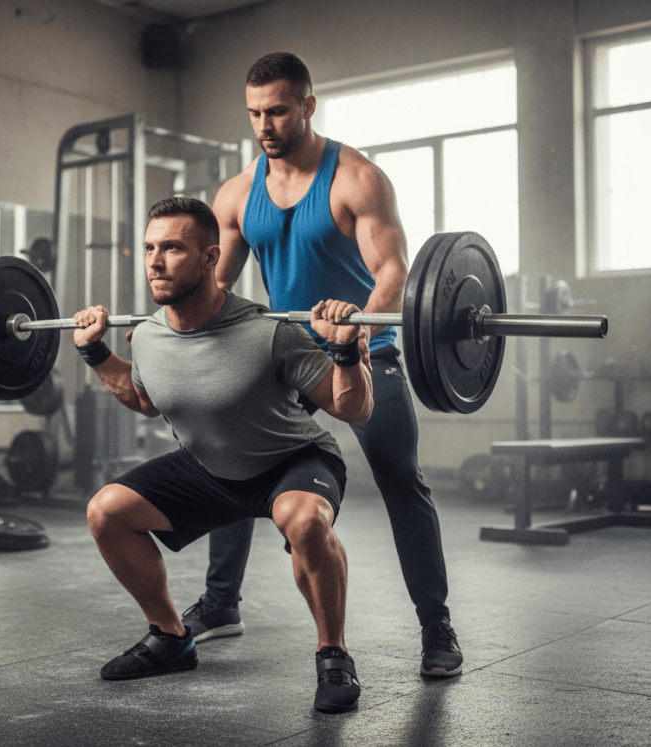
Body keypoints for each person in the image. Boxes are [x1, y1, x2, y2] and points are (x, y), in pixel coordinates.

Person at [182, 52, 464, 678]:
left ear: (308, 106)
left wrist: (358, 332)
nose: (265, 124)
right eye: (255, 113)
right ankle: (222, 603)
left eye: (278, 111)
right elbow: (217, 284)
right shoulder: (238, 193)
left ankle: (435, 625)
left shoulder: (356, 179)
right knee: (232, 462)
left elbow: (394, 271)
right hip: (286, 354)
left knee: (400, 478)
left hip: (365, 347)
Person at [73, 195, 373, 713]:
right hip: (208, 467)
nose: (155, 260)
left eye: (172, 248)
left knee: (303, 524)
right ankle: (170, 637)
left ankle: (333, 654)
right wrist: (96, 353)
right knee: (106, 512)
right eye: (149, 248)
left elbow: (354, 408)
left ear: (211, 258)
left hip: (293, 461)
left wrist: (345, 351)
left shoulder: (269, 333)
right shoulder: (146, 337)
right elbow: (144, 400)